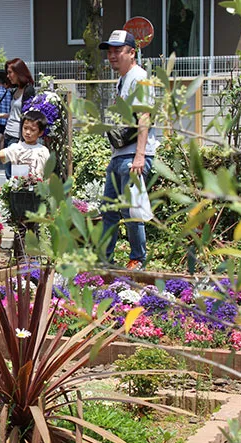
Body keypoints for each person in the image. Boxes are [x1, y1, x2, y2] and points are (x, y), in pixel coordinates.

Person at [99, 30, 160, 270]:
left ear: (132, 52)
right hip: (120, 154)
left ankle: (138, 259)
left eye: (118, 50)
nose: (112, 55)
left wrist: (140, 156)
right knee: (109, 209)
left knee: (131, 209)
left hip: (133, 155)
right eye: (110, 51)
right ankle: (106, 259)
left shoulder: (140, 77)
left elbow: (145, 116)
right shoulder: (122, 79)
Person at [0, 110, 50, 261]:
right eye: (25, 128)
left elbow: (47, 174)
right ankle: (21, 260)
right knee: (20, 227)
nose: (28, 132)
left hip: (36, 195)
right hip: (18, 195)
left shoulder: (43, 151)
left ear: (41, 132)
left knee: (34, 227)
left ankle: (33, 259)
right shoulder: (15, 148)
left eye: (33, 129)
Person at [0, 58, 35, 179]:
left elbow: (28, 115)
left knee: (16, 174)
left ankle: (15, 197)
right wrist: (2, 115)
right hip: (8, 134)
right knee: (8, 172)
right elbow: (16, 112)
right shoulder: (16, 90)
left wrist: (23, 140)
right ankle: (11, 197)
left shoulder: (28, 90)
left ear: (19, 72)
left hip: (17, 137)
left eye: (10, 72)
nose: (8, 76)